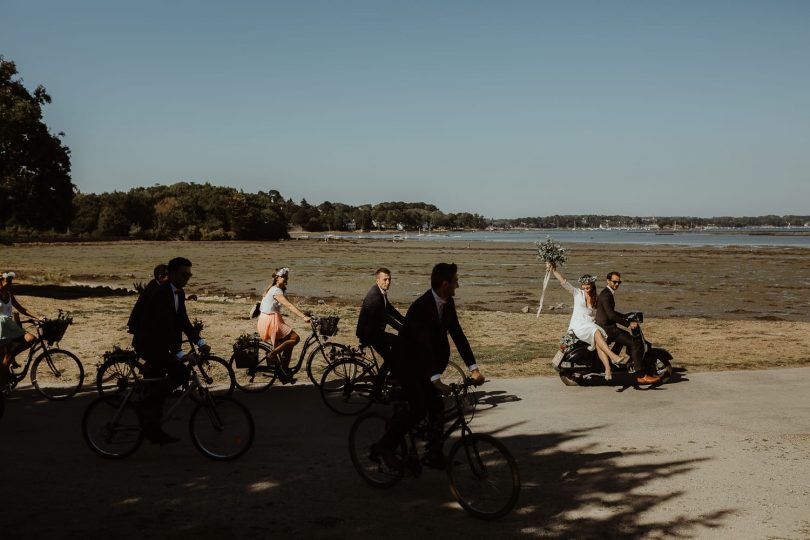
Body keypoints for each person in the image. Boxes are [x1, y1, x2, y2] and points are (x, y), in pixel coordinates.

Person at [374, 263, 485, 470]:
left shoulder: (447, 302)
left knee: (436, 407)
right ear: (445, 284)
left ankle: (432, 454)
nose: (457, 286)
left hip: (428, 365)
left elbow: (458, 336)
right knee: (418, 409)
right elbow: (423, 345)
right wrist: (435, 379)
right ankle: (385, 447)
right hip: (409, 365)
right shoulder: (421, 308)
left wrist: (474, 368)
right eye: (455, 281)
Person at [132, 257, 209, 444]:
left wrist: (200, 342)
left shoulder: (179, 293)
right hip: (149, 344)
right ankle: (145, 406)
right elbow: (164, 327)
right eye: (184, 275)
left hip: (161, 343)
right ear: (171, 273)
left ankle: (153, 428)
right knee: (181, 374)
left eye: (189, 275)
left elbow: (183, 321)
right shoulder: (160, 293)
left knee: (159, 382)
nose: (187, 278)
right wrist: (181, 354)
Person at [547, 263, 628, 381]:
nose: (586, 287)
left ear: (592, 285)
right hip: (578, 324)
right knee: (596, 332)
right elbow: (564, 282)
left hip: (589, 323)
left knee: (599, 341)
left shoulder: (596, 298)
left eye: (588, 285)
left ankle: (607, 369)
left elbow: (601, 312)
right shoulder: (577, 293)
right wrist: (554, 271)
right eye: (584, 285)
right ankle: (613, 356)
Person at [596, 271, 660, 385]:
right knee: (635, 343)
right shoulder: (607, 295)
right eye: (614, 282)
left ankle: (612, 362)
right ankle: (641, 375)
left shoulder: (606, 293)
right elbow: (611, 315)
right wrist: (628, 324)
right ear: (608, 281)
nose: (617, 284)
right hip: (608, 329)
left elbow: (611, 312)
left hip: (605, 326)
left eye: (619, 282)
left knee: (623, 338)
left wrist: (625, 316)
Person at [257, 267, 311, 384]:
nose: (285, 278)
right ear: (276, 278)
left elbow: (289, 305)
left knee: (288, 344)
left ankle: (284, 372)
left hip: (266, 319)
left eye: (286, 276)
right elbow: (289, 306)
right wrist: (303, 317)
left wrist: (305, 313)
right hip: (271, 320)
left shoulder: (272, 288)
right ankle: (272, 354)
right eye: (283, 276)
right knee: (295, 338)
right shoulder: (276, 290)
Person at [355, 267, 405, 376]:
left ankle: (392, 378)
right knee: (398, 348)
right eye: (385, 279)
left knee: (391, 357)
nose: (388, 282)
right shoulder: (375, 296)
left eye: (389, 279)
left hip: (375, 332)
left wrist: (406, 322)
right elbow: (386, 317)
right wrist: (404, 329)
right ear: (377, 280)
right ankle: (378, 388)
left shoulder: (380, 292)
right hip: (370, 334)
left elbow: (391, 310)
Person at [0, 272, 41, 386]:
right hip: (0, 328)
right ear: (1, 281)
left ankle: (10, 358)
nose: (10, 284)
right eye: (8, 281)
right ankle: (4, 385)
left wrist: (38, 317)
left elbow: (22, 309)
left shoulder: (9, 294)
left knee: (31, 338)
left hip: (9, 325)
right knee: (3, 362)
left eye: (11, 281)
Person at [127, 264, 169, 335]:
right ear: (160, 277)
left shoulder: (153, 285)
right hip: (144, 331)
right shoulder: (155, 290)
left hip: (142, 328)